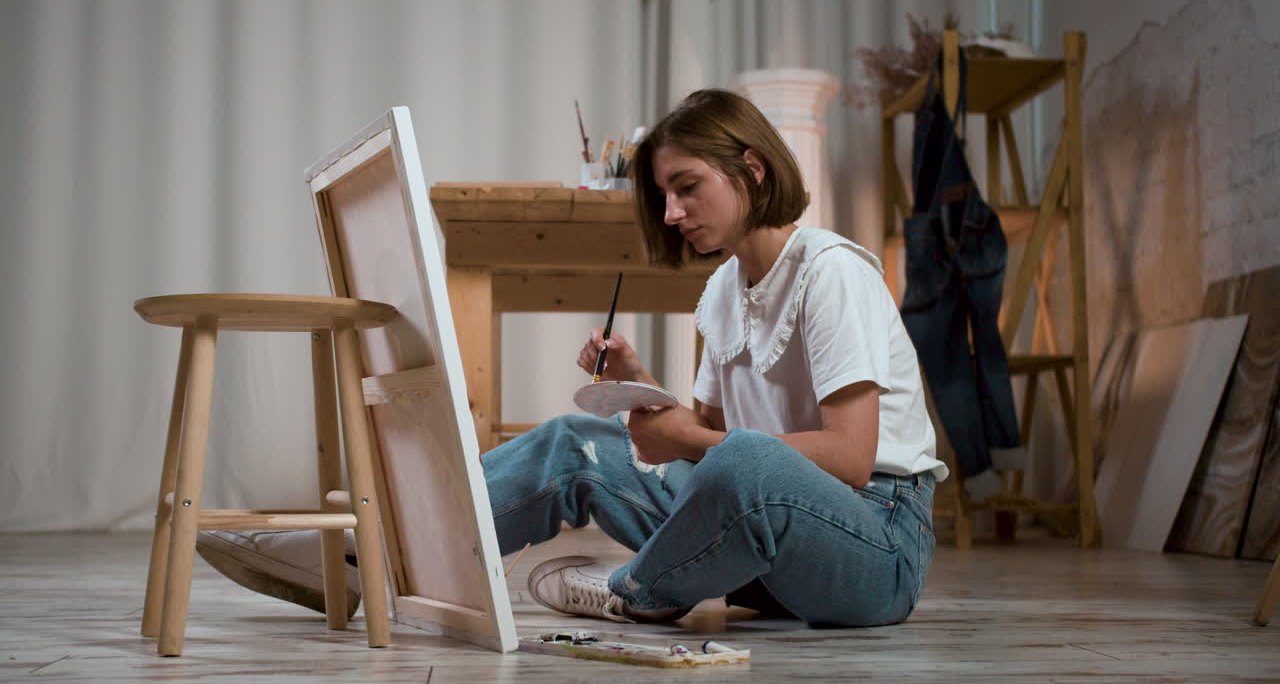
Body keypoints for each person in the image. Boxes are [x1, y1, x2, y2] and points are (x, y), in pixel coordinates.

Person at [197, 88, 947, 627]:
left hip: (872, 543)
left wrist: (690, 438)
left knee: (744, 462)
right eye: (664, 196)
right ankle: (367, 557)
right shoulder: (723, 290)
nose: (672, 214)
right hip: (758, 545)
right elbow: (706, 445)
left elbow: (850, 458)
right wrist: (640, 389)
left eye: (687, 188)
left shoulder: (830, 271)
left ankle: (632, 590)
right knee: (575, 441)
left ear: (752, 167)